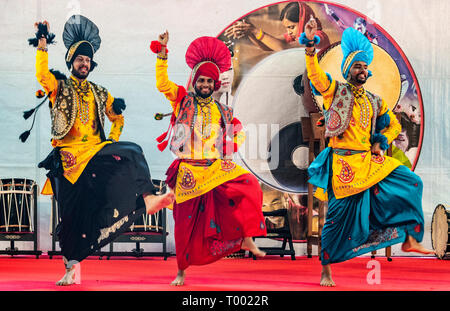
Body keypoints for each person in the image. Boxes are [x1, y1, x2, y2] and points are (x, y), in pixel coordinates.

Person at [34, 17, 174, 286]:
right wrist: (42, 44)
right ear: (71, 62)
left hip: (95, 155)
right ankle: (69, 268)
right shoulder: (59, 87)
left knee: (132, 151)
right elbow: (42, 75)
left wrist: (111, 139)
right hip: (68, 160)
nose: (84, 64)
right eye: (79, 60)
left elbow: (118, 118)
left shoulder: (100, 92)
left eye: (87, 60)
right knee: (71, 217)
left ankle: (147, 199)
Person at [303, 17, 433, 287]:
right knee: (335, 219)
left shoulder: (375, 100)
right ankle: (326, 269)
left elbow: (394, 124)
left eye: (365, 66)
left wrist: (380, 142)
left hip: (368, 160)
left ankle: (409, 238)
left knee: (411, 181)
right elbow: (316, 77)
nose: (362, 70)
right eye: (357, 66)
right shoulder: (334, 91)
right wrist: (310, 49)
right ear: (347, 69)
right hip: (344, 164)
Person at [152, 31, 267, 286]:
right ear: (195, 81)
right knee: (184, 226)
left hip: (214, 167)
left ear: (215, 85)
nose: (205, 85)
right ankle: (181, 269)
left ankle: (246, 236)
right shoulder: (181, 100)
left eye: (209, 82)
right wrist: (162, 54)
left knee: (248, 184)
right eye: (201, 80)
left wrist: (232, 143)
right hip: (189, 170)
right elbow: (162, 85)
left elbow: (237, 133)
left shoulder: (223, 110)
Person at [224, 1, 330, 51]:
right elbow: (266, 46)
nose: (289, 32)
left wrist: (255, 31)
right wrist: (249, 32)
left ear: (305, 21)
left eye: (291, 27)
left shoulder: (318, 37)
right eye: (287, 28)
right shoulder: (294, 37)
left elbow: (283, 48)